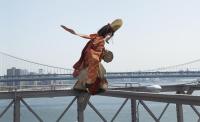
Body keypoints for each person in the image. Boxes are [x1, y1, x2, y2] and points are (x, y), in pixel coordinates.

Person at [61, 19, 123, 95]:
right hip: (91, 66)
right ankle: (90, 85)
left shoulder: (95, 38)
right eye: (110, 35)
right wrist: (90, 81)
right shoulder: (100, 41)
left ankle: (83, 86)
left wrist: (73, 32)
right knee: (97, 75)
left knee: (87, 77)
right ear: (108, 34)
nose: (110, 37)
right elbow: (95, 57)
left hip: (86, 65)